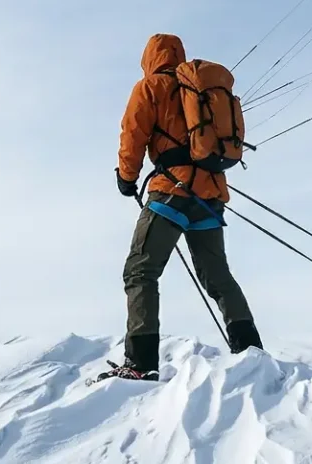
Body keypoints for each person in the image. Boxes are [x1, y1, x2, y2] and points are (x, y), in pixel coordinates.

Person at [107, 32, 263, 381]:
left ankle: (141, 361)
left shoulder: (150, 88)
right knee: (218, 276)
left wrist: (126, 178)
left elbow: (132, 134)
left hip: (171, 194)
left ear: (149, 58)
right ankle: (251, 351)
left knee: (140, 272)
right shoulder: (198, 89)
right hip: (209, 197)